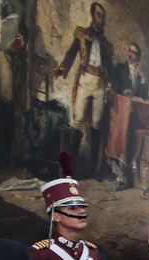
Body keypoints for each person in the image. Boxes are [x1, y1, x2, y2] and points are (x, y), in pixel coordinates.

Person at [51, 2, 114, 179]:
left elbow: (110, 68)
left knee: (96, 125)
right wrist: (62, 69)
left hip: (100, 84)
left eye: (103, 16)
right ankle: (68, 170)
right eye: (98, 15)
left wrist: (113, 85)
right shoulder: (82, 34)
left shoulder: (106, 44)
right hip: (85, 81)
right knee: (77, 121)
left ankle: (93, 170)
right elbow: (71, 53)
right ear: (92, 16)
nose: (101, 19)